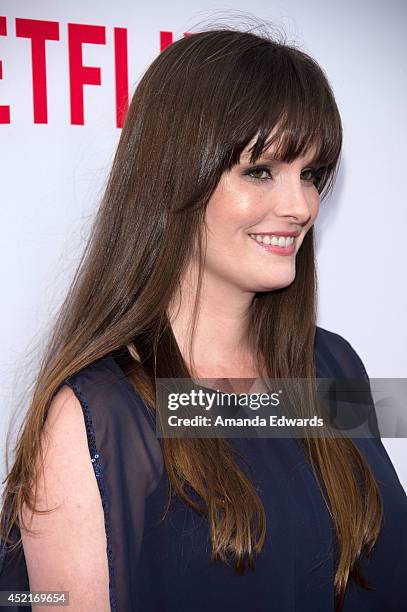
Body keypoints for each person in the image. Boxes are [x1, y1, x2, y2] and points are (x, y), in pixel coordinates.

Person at [0, 25, 406, 612]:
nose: (299, 207)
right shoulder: (96, 416)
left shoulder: (334, 362)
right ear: (175, 175)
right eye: (260, 170)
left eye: (312, 175)